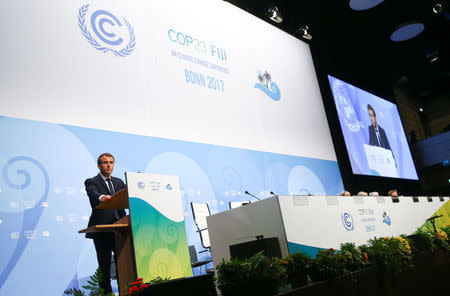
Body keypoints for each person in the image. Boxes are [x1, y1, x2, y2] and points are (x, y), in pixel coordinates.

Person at [85, 153, 126, 295]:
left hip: (121, 230)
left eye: (111, 162)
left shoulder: (119, 182)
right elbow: (93, 194)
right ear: (99, 165)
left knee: (124, 264)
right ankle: (107, 293)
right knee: (104, 266)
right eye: (105, 162)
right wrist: (102, 197)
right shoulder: (91, 181)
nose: (108, 165)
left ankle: (126, 291)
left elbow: (129, 196)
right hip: (103, 231)